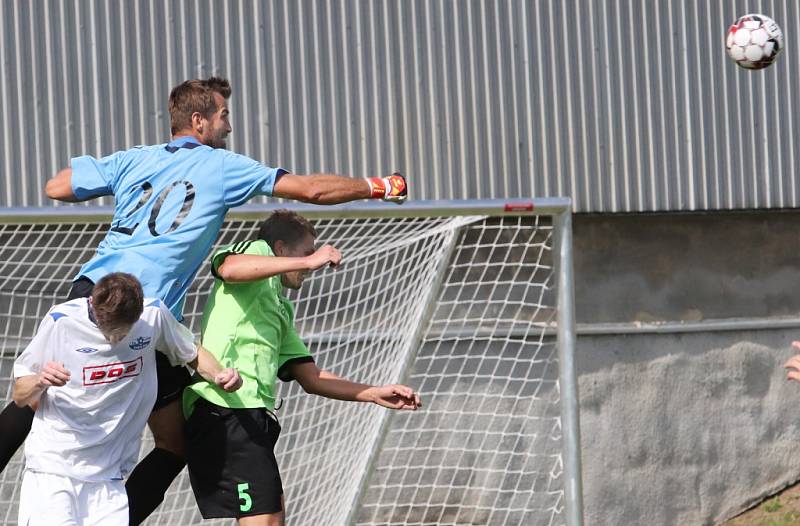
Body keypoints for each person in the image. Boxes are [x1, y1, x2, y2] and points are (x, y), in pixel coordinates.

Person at [0, 76, 407, 524]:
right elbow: (310, 190)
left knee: (37, 394)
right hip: (147, 315)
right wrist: (379, 185)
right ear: (200, 121)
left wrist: (123, 175)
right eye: (223, 116)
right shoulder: (221, 165)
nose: (228, 126)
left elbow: (56, 187)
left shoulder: (136, 159)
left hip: (90, 294)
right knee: (172, 444)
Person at [183, 210, 421, 525]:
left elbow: (312, 377)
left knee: (274, 518)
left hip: (250, 418)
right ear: (280, 249)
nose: (314, 262)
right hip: (225, 409)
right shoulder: (257, 252)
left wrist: (374, 393)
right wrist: (308, 261)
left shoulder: (281, 308)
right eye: (308, 252)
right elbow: (229, 268)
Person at [12, 273, 242, 525]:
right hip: (54, 469)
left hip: (109, 477)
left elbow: (191, 351)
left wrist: (220, 374)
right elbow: (20, 394)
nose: (115, 340)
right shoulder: (61, 320)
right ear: (93, 306)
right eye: (108, 331)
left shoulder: (153, 316)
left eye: (123, 333)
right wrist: (39, 380)